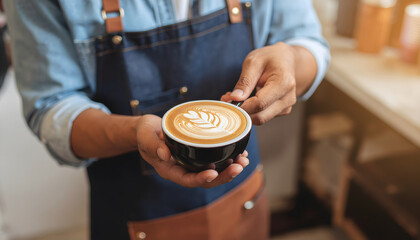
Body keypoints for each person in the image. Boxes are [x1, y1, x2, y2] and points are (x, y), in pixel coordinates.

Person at [4, 0, 330, 239]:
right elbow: (51, 107)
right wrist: (133, 131)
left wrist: (291, 61)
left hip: (242, 200)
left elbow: (309, 43)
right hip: (131, 215)